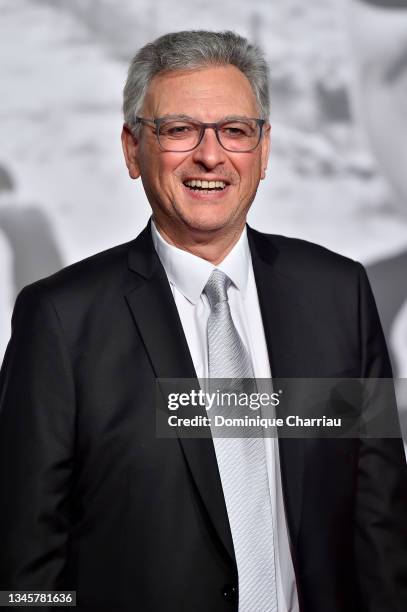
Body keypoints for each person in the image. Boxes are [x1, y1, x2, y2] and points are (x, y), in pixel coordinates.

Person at [0, 30, 406, 612]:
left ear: (263, 152)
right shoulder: (61, 320)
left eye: (235, 131)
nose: (210, 156)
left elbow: (380, 522)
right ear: (131, 148)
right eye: (179, 130)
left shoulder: (339, 294)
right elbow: (25, 562)